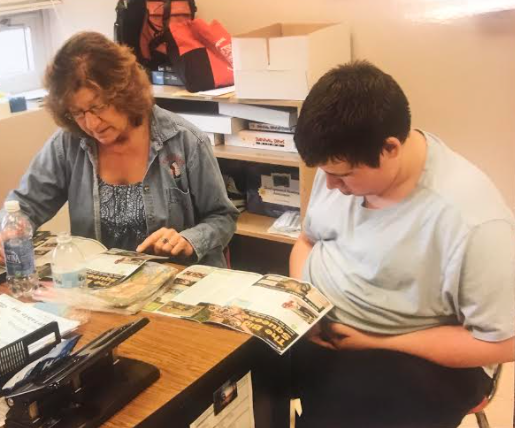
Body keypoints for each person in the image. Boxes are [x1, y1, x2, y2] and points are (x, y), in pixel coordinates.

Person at [289, 61, 515, 428]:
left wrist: (376, 343)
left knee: (345, 410)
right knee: (229, 372)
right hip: (322, 329)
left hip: (413, 355)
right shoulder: (339, 166)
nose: (330, 186)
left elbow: (503, 342)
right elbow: (306, 241)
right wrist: (304, 306)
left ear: (390, 148)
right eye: (325, 173)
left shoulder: (473, 221)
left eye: (342, 175)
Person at [0, 32, 238, 267]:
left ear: (126, 92)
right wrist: (10, 231)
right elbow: (24, 206)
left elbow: (223, 217)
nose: (91, 124)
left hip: (175, 281)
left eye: (98, 107)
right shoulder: (68, 143)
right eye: (78, 112)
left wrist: (189, 240)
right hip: (100, 289)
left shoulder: (184, 141)